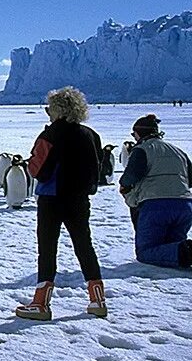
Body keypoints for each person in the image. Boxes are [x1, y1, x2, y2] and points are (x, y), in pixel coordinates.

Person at [15, 87, 107, 320]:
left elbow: (38, 170)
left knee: (47, 249)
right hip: (79, 199)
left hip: (52, 199)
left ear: (59, 110)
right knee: (84, 245)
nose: (47, 112)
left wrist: (31, 163)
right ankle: (97, 300)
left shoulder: (51, 134)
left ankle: (41, 304)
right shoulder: (90, 134)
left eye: (50, 107)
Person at [119, 114, 192, 269]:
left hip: (156, 206)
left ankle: (188, 252)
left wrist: (125, 189)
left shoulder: (143, 150)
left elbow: (129, 178)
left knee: (147, 251)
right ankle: (185, 253)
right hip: (185, 205)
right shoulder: (178, 151)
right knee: (173, 247)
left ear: (139, 133)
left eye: (134, 134)